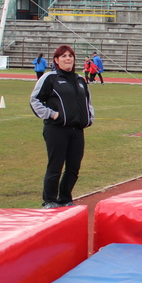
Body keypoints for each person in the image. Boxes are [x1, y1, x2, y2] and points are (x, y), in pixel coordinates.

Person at [29, 45, 94, 208]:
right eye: (63, 56)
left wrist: (89, 117)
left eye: (70, 55)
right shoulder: (50, 78)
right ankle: (49, 200)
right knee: (55, 165)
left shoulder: (80, 80)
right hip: (56, 130)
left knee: (73, 167)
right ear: (56, 60)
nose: (68, 58)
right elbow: (35, 100)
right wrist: (53, 114)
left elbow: (88, 102)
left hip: (76, 131)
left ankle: (65, 198)